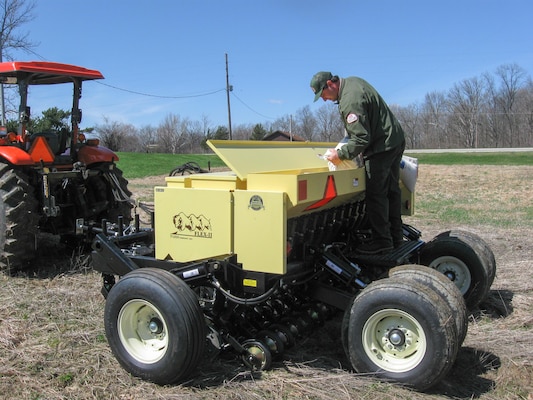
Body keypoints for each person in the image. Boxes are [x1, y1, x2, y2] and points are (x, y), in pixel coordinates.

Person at [310, 71, 406, 254]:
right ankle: (396, 237)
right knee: (391, 191)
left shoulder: (349, 100)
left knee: (376, 194)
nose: (324, 100)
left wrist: (340, 155)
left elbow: (362, 138)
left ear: (330, 84)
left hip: (381, 147)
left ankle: (382, 242)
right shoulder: (353, 82)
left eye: (322, 94)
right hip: (394, 140)